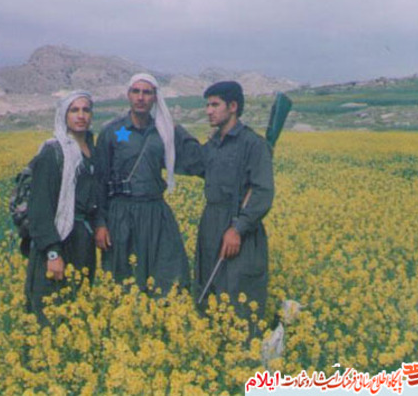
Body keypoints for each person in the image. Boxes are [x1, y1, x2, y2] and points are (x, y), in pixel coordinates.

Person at [94, 73, 203, 295]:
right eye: (136, 91)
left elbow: (196, 160)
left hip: (155, 212)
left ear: (155, 98)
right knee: (123, 279)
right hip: (121, 214)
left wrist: (176, 128)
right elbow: (99, 180)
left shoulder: (164, 131)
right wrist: (100, 223)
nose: (141, 97)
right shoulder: (112, 132)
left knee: (169, 276)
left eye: (147, 92)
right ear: (128, 95)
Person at [196, 81, 274, 326]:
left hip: (240, 227)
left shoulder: (253, 143)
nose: (209, 111)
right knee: (209, 293)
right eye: (207, 105)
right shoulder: (212, 145)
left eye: (215, 105)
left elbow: (262, 192)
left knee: (239, 295)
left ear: (232, 106)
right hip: (211, 224)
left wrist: (238, 229)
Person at [24, 90, 98, 324]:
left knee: (78, 308)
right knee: (49, 310)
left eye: (86, 110)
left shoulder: (92, 150)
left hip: (82, 241)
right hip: (57, 240)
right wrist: (52, 252)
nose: (81, 116)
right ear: (64, 115)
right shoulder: (53, 152)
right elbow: (40, 208)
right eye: (74, 110)